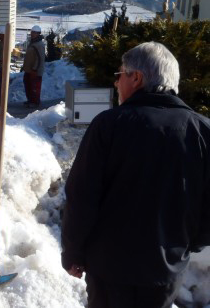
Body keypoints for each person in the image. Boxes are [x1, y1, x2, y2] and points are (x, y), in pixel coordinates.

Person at [61, 42, 210, 308]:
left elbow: (82, 196)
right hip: (165, 271)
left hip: (109, 269)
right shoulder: (203, 131)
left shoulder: (109, 124)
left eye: (119, 75)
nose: (116, 83)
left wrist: (73, 251)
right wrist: (186, 246)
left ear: (136, 78)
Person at [22, 25, 45, 107]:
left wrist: (34, 69)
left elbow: (40, 58)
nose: (32, 34)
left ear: (38, 34)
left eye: (34, 32)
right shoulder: (33, 42)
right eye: (32, 32)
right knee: (28, 85)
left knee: (34, 87)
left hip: (35, 71)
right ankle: (30, 100)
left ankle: (35, 102)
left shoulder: (39, 44)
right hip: (29, 69)